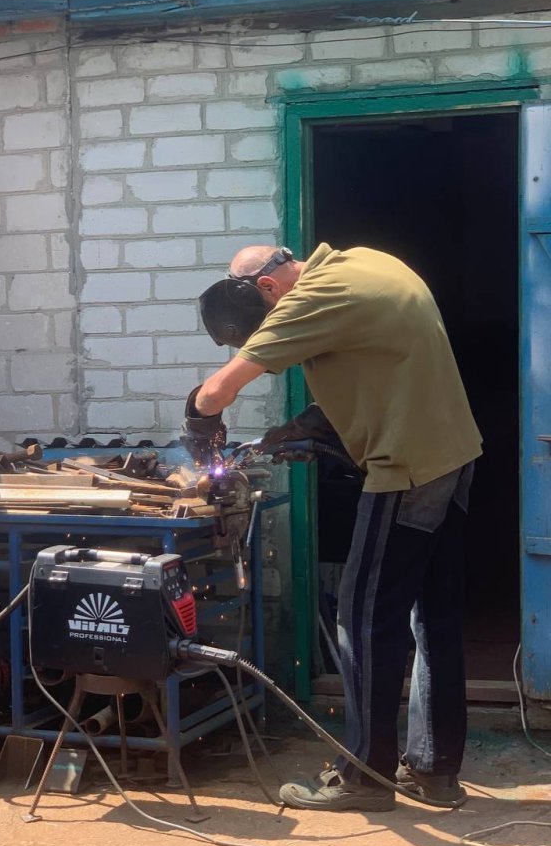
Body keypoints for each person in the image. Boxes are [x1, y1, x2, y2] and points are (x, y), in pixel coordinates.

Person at [186, 243, 482, 811]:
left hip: (406, 469)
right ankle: (435, 770)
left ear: (269, 288)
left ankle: (366, 778)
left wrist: (199, 426)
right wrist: (299, 430)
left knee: (363, 619)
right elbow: (380, 368)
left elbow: (217, 392)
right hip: (451, 456)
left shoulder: (310, 298)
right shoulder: (365, 263)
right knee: (434, 617)